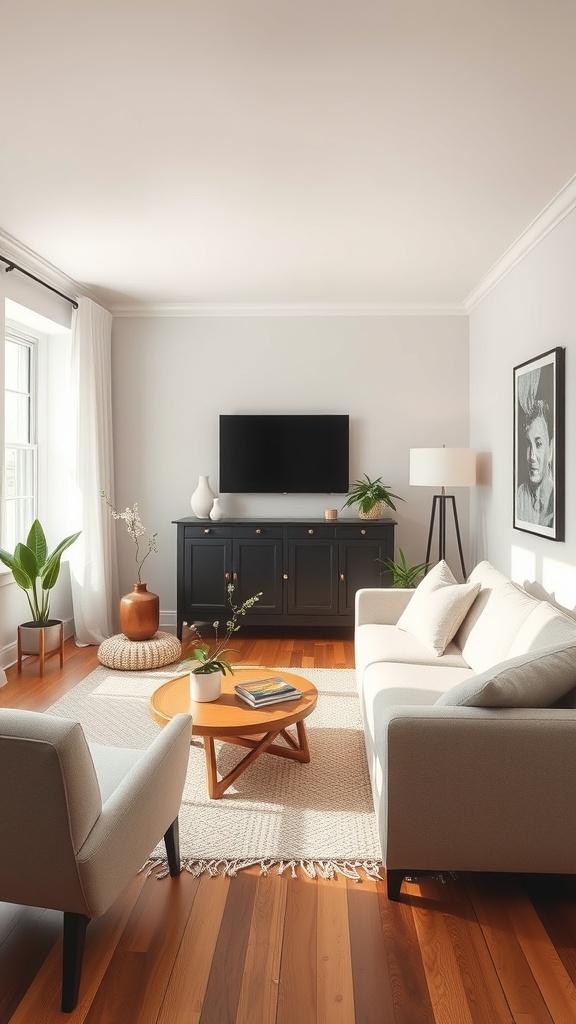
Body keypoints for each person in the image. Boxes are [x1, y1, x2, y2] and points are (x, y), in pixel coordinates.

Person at [516, 399, 554, 527]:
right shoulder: (521, 494)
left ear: (551, 449)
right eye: (529, 444)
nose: (532, 456)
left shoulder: (557, 503)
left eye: (538, 444)